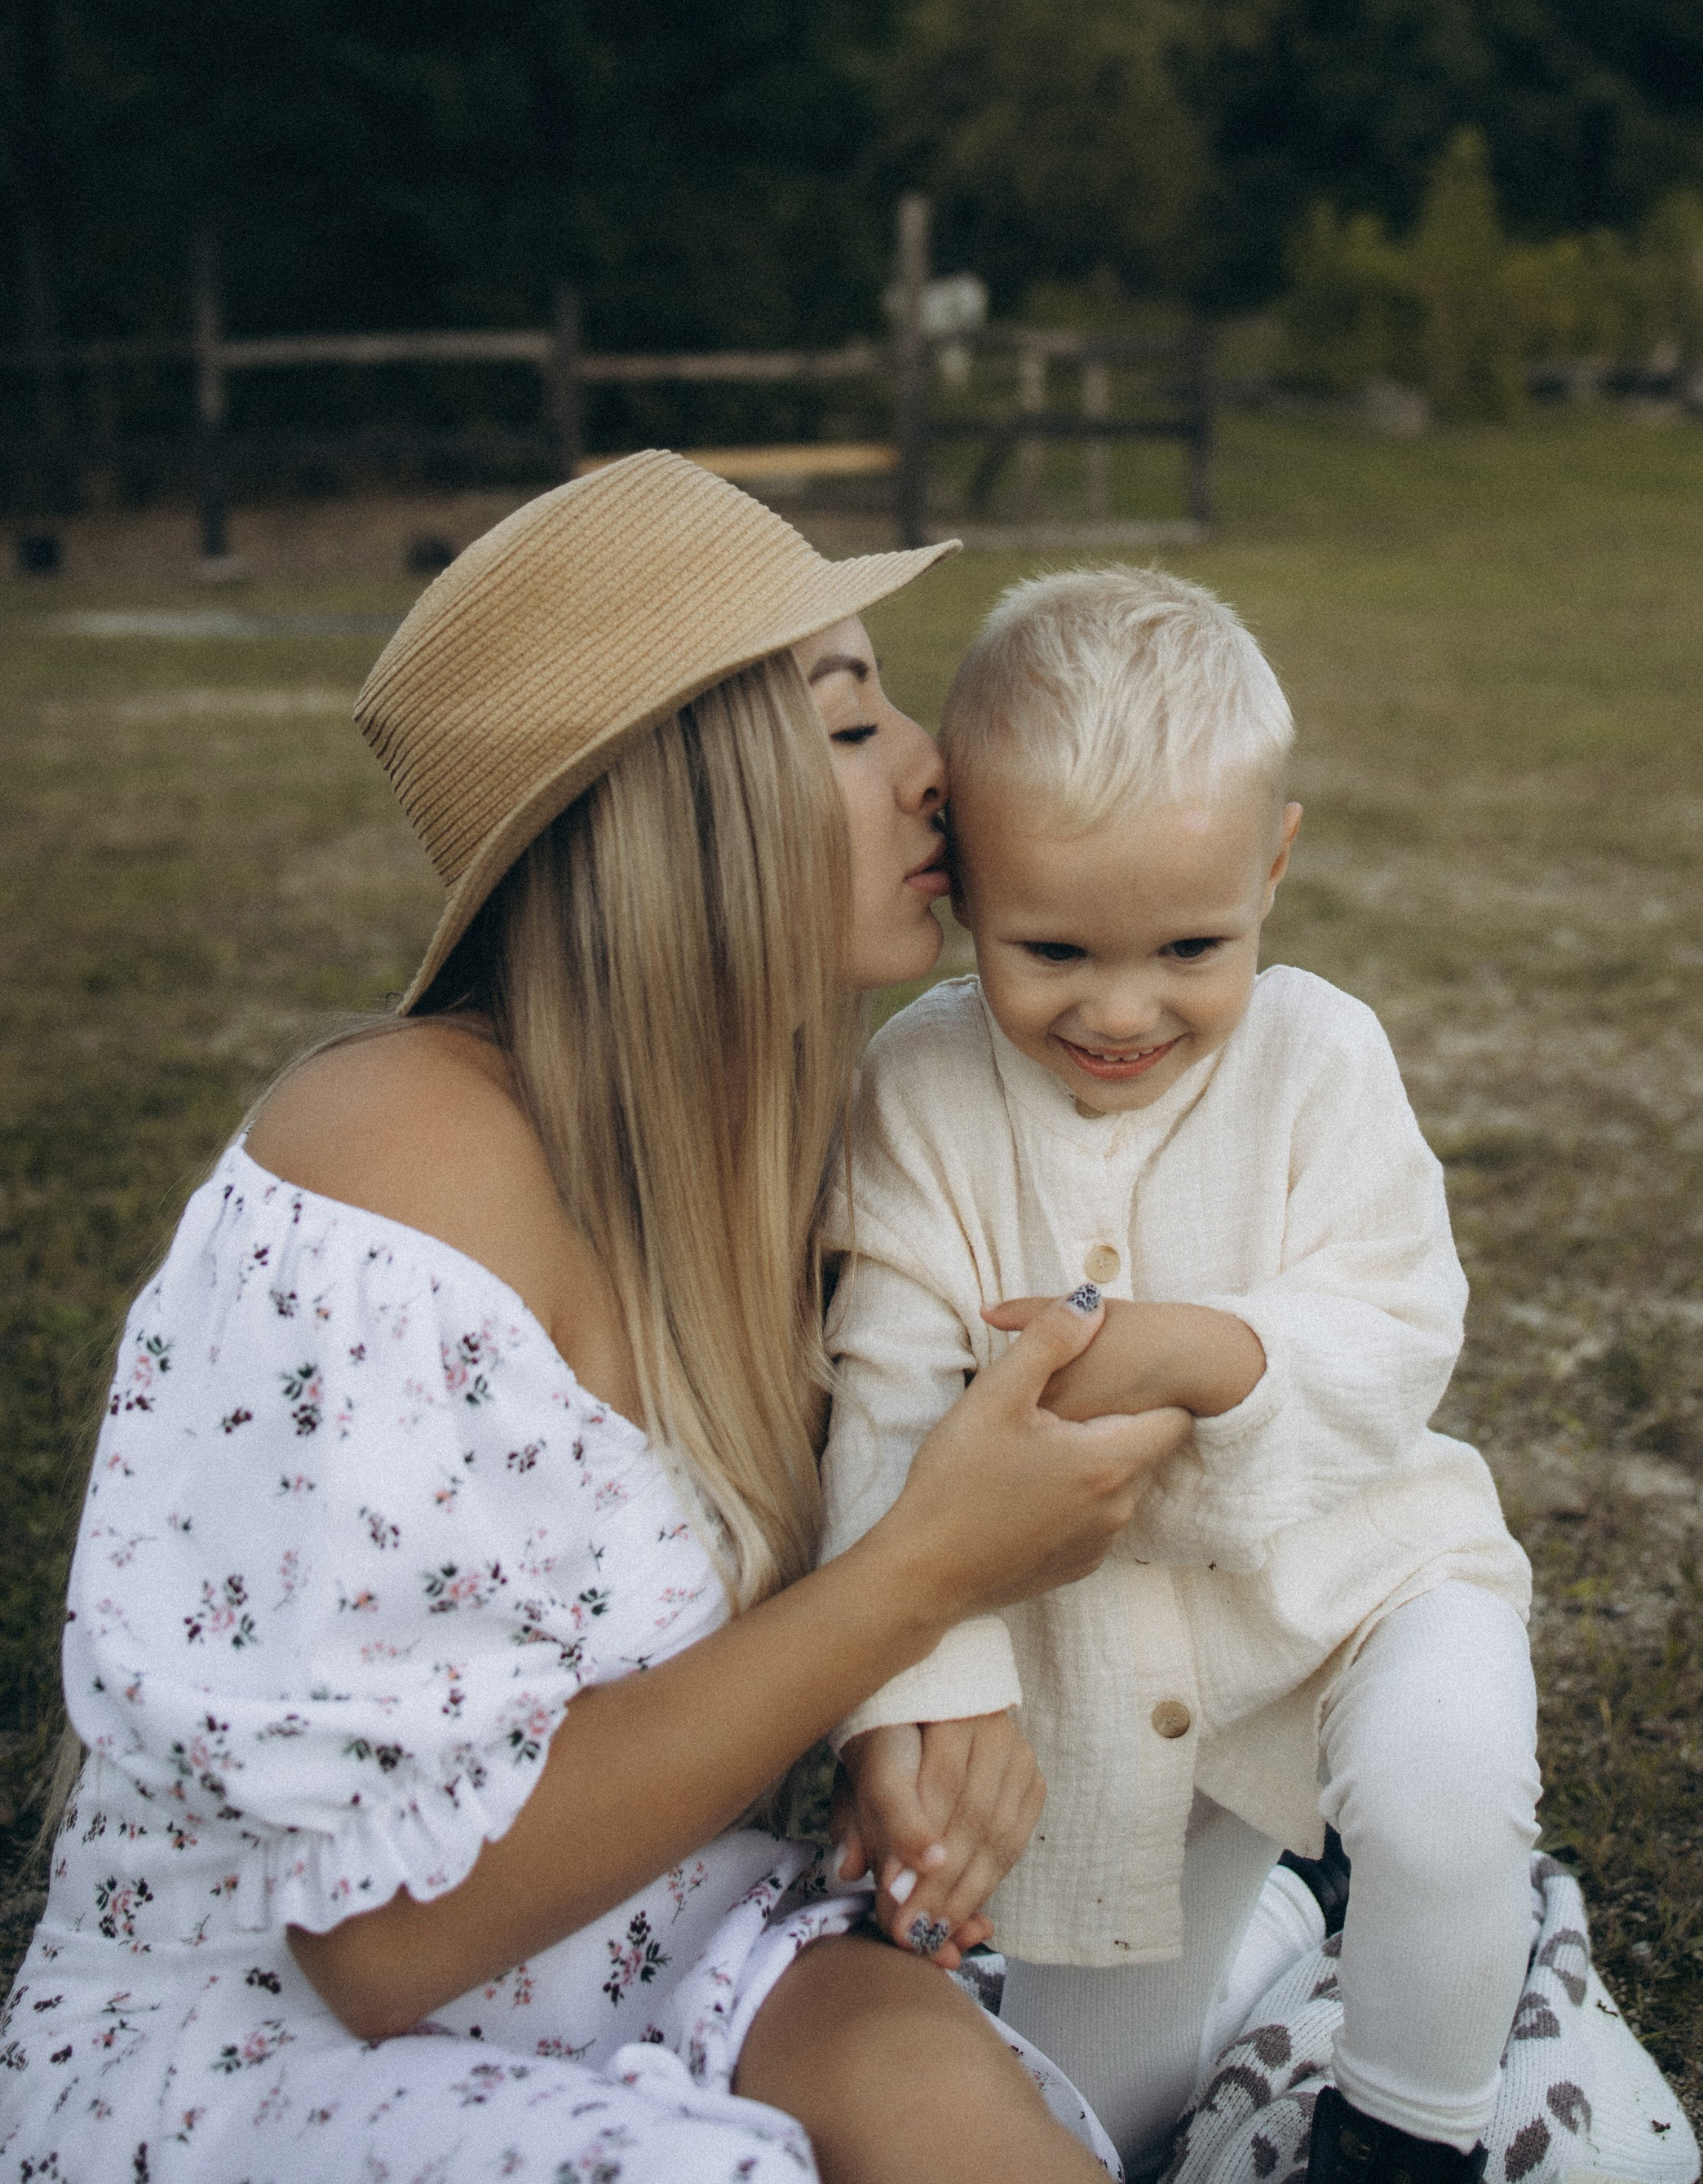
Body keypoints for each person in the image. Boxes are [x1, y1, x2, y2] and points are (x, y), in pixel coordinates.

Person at [0, 455, 1196, 2184]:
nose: (936, 762)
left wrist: (931, 1699)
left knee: (961, 2127)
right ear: (669, 803)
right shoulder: (386, 1170)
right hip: (278, 2028)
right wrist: (924, 1580)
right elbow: (383, 1946)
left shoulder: (782, 1141)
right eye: (848, 722)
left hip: (658, 1931)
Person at [821, 566, 1542, 2184]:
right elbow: (875, 1404)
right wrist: (925, 1691)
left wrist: (1219, 1354)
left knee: (1444, 1788)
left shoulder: (1317, 1057)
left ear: (1270, 865)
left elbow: (1399, 1319)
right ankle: (1290, 1915)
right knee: (1107, 2115)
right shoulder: (918, 1093)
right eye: (1053, 946)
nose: (1122, 1008)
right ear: (964, 885)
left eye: (1189, 945)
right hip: (1094, 1679)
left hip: (1351, 1581)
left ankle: (1409, 2129)